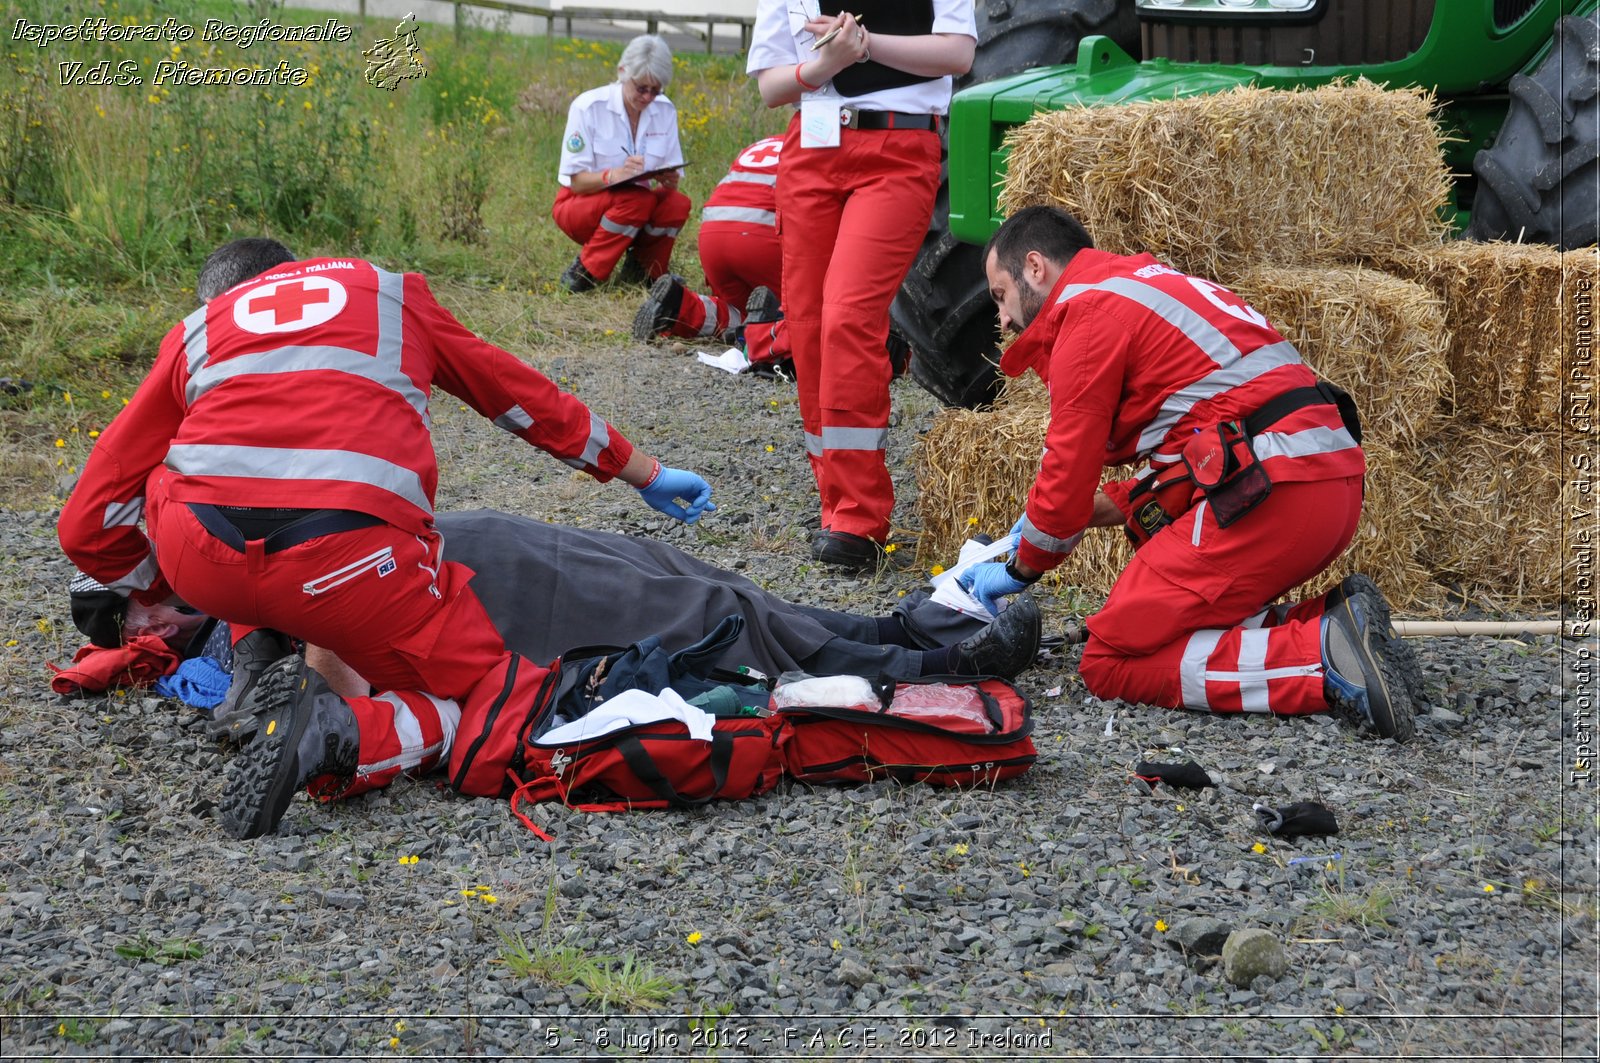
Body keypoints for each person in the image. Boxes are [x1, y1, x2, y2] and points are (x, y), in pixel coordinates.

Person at [57, 237, 715, 841]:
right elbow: (518, 396)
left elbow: (89, 515)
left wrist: (156, 582)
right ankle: (340, 734)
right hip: (350, 560)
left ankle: (269, 665)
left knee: (189, 478)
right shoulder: (393, 294)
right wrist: (642, 471)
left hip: (205, 558)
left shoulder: (198, 330)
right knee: (480, 700)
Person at [956, 205, 1420, 741]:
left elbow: (1064, 476)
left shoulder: (1086, 317)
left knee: (1109, 659)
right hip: (1322, 483)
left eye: (1000, 296)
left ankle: (1322, 660)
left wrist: (1020, 565)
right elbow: (1196, 453)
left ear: (1034, 267)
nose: (1004, 321)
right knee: (1174, 623)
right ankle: (1337, 622)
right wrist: (1083, 515)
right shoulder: (1142, 286)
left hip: (1275, 492)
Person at [746, 3, 976, 570]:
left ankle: (858, 516)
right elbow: (772, 87)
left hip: (898, 152)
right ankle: (835, 497)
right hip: (811, 149)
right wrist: (827, 65)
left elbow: (958, 52)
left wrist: (867, 45)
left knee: (848, 316)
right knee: (808, 325)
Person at [630, 135, 912, 380]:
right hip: (762, 237)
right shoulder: (827, 145)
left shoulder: (763, 145)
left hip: (713, 234)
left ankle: (680, 307)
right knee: (813, 313)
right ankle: (764, 332)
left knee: (736, 311)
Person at [552, 34, 690, 293]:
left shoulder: (665, 110)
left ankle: (646, 270)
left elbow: (671, 185)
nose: (648, 97)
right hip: (578, 204)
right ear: (622, 72)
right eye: (641, 88)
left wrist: (669, 180)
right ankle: (585, 271)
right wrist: (611, 176)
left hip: (634, 206)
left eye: (656, 90)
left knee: (676, 204)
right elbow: (577, 183)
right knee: (638, 200)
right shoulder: (589, 107)